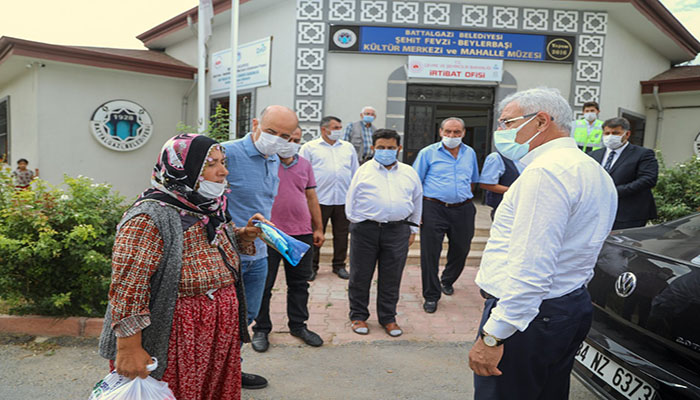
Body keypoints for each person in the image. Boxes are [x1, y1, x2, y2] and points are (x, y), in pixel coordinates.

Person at [469, 87, 617, 399]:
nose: (500, 132)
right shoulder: (591, 169)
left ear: (540, 122)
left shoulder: (545, 174)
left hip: (531, 316)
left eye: (507, 123)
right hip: (567, 303)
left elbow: (530, 268)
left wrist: (494, 336)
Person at [98, 133, 271, 400]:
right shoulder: (149, 215)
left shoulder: (204, 206)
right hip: (178, 332)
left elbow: (206, 249)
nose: (223, 171)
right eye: (211, 164)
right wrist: (129, 347)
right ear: (182, 168)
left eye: (223, 162)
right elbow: (128, 284)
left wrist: (242, 236)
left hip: (213, 331)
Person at [222, 105, 297, 390]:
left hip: (259, 256)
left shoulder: (274, 158)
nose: (277, 139)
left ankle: (230, 371)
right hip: (226, 256)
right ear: (255, 124)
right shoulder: (227, 153)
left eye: (285, 136)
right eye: (271, 131)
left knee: (247, 317)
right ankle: (216, 372)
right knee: (222, 320)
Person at [252, 126, 325, 352]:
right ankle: (261, 328)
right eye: (287, 138)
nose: (291, 143)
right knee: (265, 284)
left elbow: (311, 196)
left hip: (300, 232)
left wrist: (319, 227)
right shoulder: (266, 162)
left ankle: (298, 325)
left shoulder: (304, 165)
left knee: (299, 284)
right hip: (269, 234)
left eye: (296, 140)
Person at [345, 129, 422, 338]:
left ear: (399, 148)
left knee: (391, 277)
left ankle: (388, 318)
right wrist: (357, 224)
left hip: (398, 230)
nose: (386, 151)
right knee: (360, 275)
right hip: (365, 230)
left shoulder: (409, 172)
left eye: (390, 148)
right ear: (373, 148)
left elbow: (417, 200)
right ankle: (358, 315)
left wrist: (413, 228)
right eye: (381, 148)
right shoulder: (363, 170)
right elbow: (351, 199)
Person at [412, 118, 479, 314]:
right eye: (448, 132)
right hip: (434, 207)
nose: (452, 136)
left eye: (456, 132)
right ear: (440, 132)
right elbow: (415, 184)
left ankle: (447, 280)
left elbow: (472, 180)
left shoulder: (470, 153)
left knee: (462, 248)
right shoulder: (428, 153)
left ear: (463, 133)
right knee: (430, 253)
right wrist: (418, 212)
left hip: (463, 208)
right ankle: (431, 295)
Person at [300, 116, 358, 280]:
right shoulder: (309, 148)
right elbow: (302, 173)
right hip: (318, 200)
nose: (339, 130)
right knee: (315, 234)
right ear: (324, 129)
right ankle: (311, 267)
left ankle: (339, 265)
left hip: (342, 198)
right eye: (335, 127)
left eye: (340, 127)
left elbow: (355, 172)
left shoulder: (348, 148)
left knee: (342, 235)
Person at [588, 117, 658, 230]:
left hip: (629, 213)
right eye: (607, 133)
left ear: (627, 134)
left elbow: (648, 179)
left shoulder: (643, 154)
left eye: (615, 133)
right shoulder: (594, 155)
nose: (610, 136)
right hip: (599, 212)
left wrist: (615, 191)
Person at [479, 152, 524, 220]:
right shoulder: (496, 157)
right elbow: (486, 184)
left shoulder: (528, 158)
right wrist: (514, 190)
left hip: (524, 208)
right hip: (505, 209)